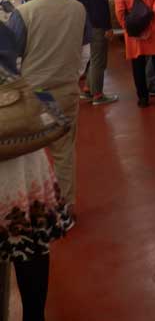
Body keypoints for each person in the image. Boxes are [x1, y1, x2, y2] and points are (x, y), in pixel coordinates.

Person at [0, 22, 73, 321]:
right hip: (20, 147)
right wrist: (50, 108)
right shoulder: (5, 28)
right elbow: (28, 81)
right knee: (28, 239)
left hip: (13, 156)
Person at [7, 0, 87, 215]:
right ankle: (68, 205)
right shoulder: (77, 8)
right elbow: (83, 48)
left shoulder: (24, 13)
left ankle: (32, 209)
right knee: (64, 150)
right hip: (67, 89)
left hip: (35, 96)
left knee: (29, 152)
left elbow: (10, 57)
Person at [66, 0, 118, 105]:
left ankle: (88, 89)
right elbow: (99, 5)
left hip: (83, 22)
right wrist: (107, 27)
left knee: (91, 58)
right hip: (96, 23)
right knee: (98, 59)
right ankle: (98, 94)